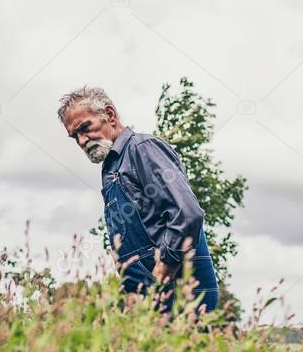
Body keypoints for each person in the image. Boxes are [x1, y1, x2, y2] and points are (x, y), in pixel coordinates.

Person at [58, 86, 219, 313]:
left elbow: (187, 213)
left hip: (180, 296)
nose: (82, 141)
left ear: (110, 115)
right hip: (148, 298)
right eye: (75, 136)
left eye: (85, 128)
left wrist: (162, 272)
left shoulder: (142, 149)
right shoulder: (112, 167)